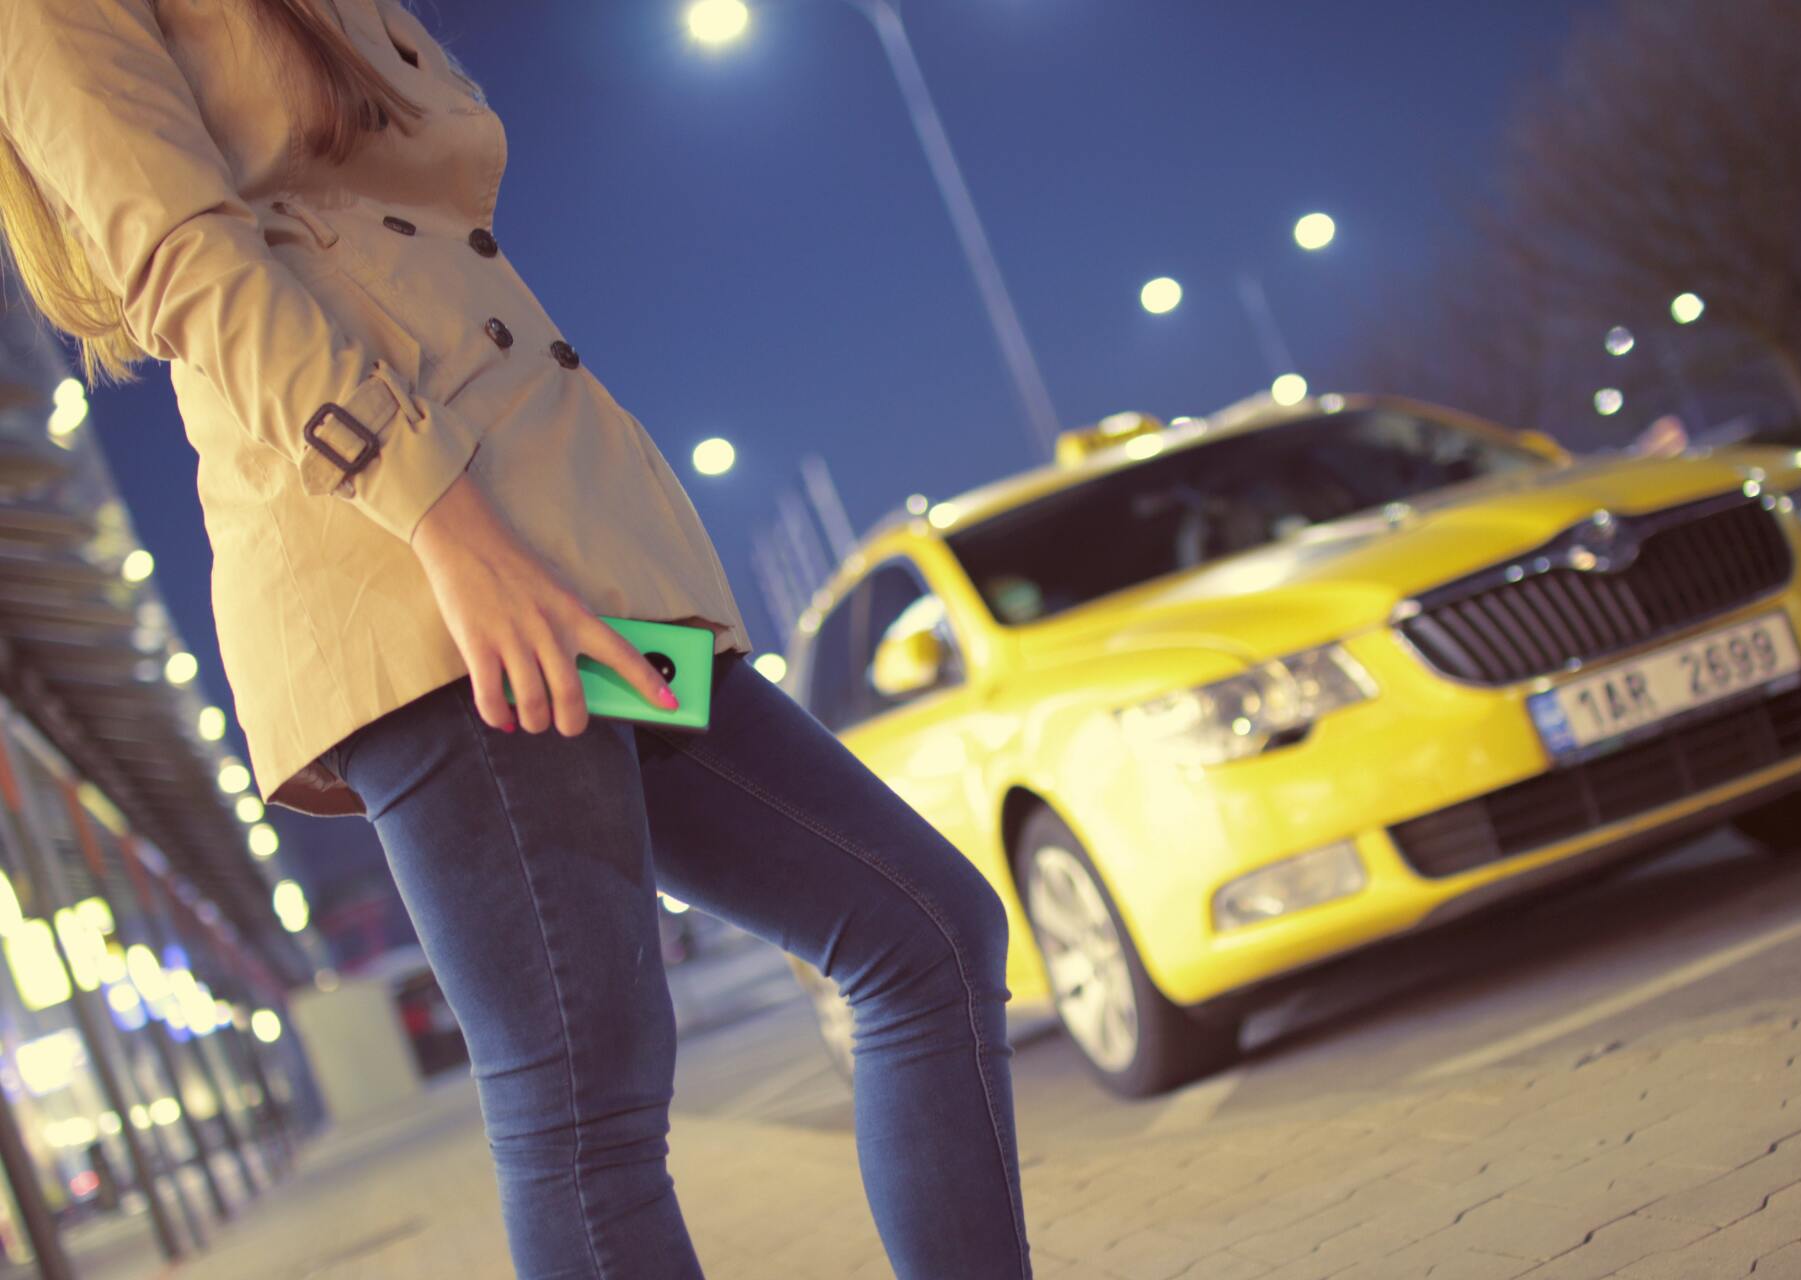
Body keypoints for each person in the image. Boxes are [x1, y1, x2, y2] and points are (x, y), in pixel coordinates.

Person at [0, 1, 1032, 1275]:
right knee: (586, 1105)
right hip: (431, 577)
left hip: (576, 571)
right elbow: (184, 265)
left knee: (923, 925)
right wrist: (445, 529)